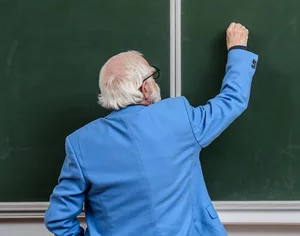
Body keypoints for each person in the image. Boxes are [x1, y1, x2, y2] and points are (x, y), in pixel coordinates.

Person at [44, 23, 258, 236]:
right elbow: (232, 100)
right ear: (144, 88)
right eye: (152, 76)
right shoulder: (179, 117)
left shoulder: (81, 143)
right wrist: (237, 50)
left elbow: (59, 219)